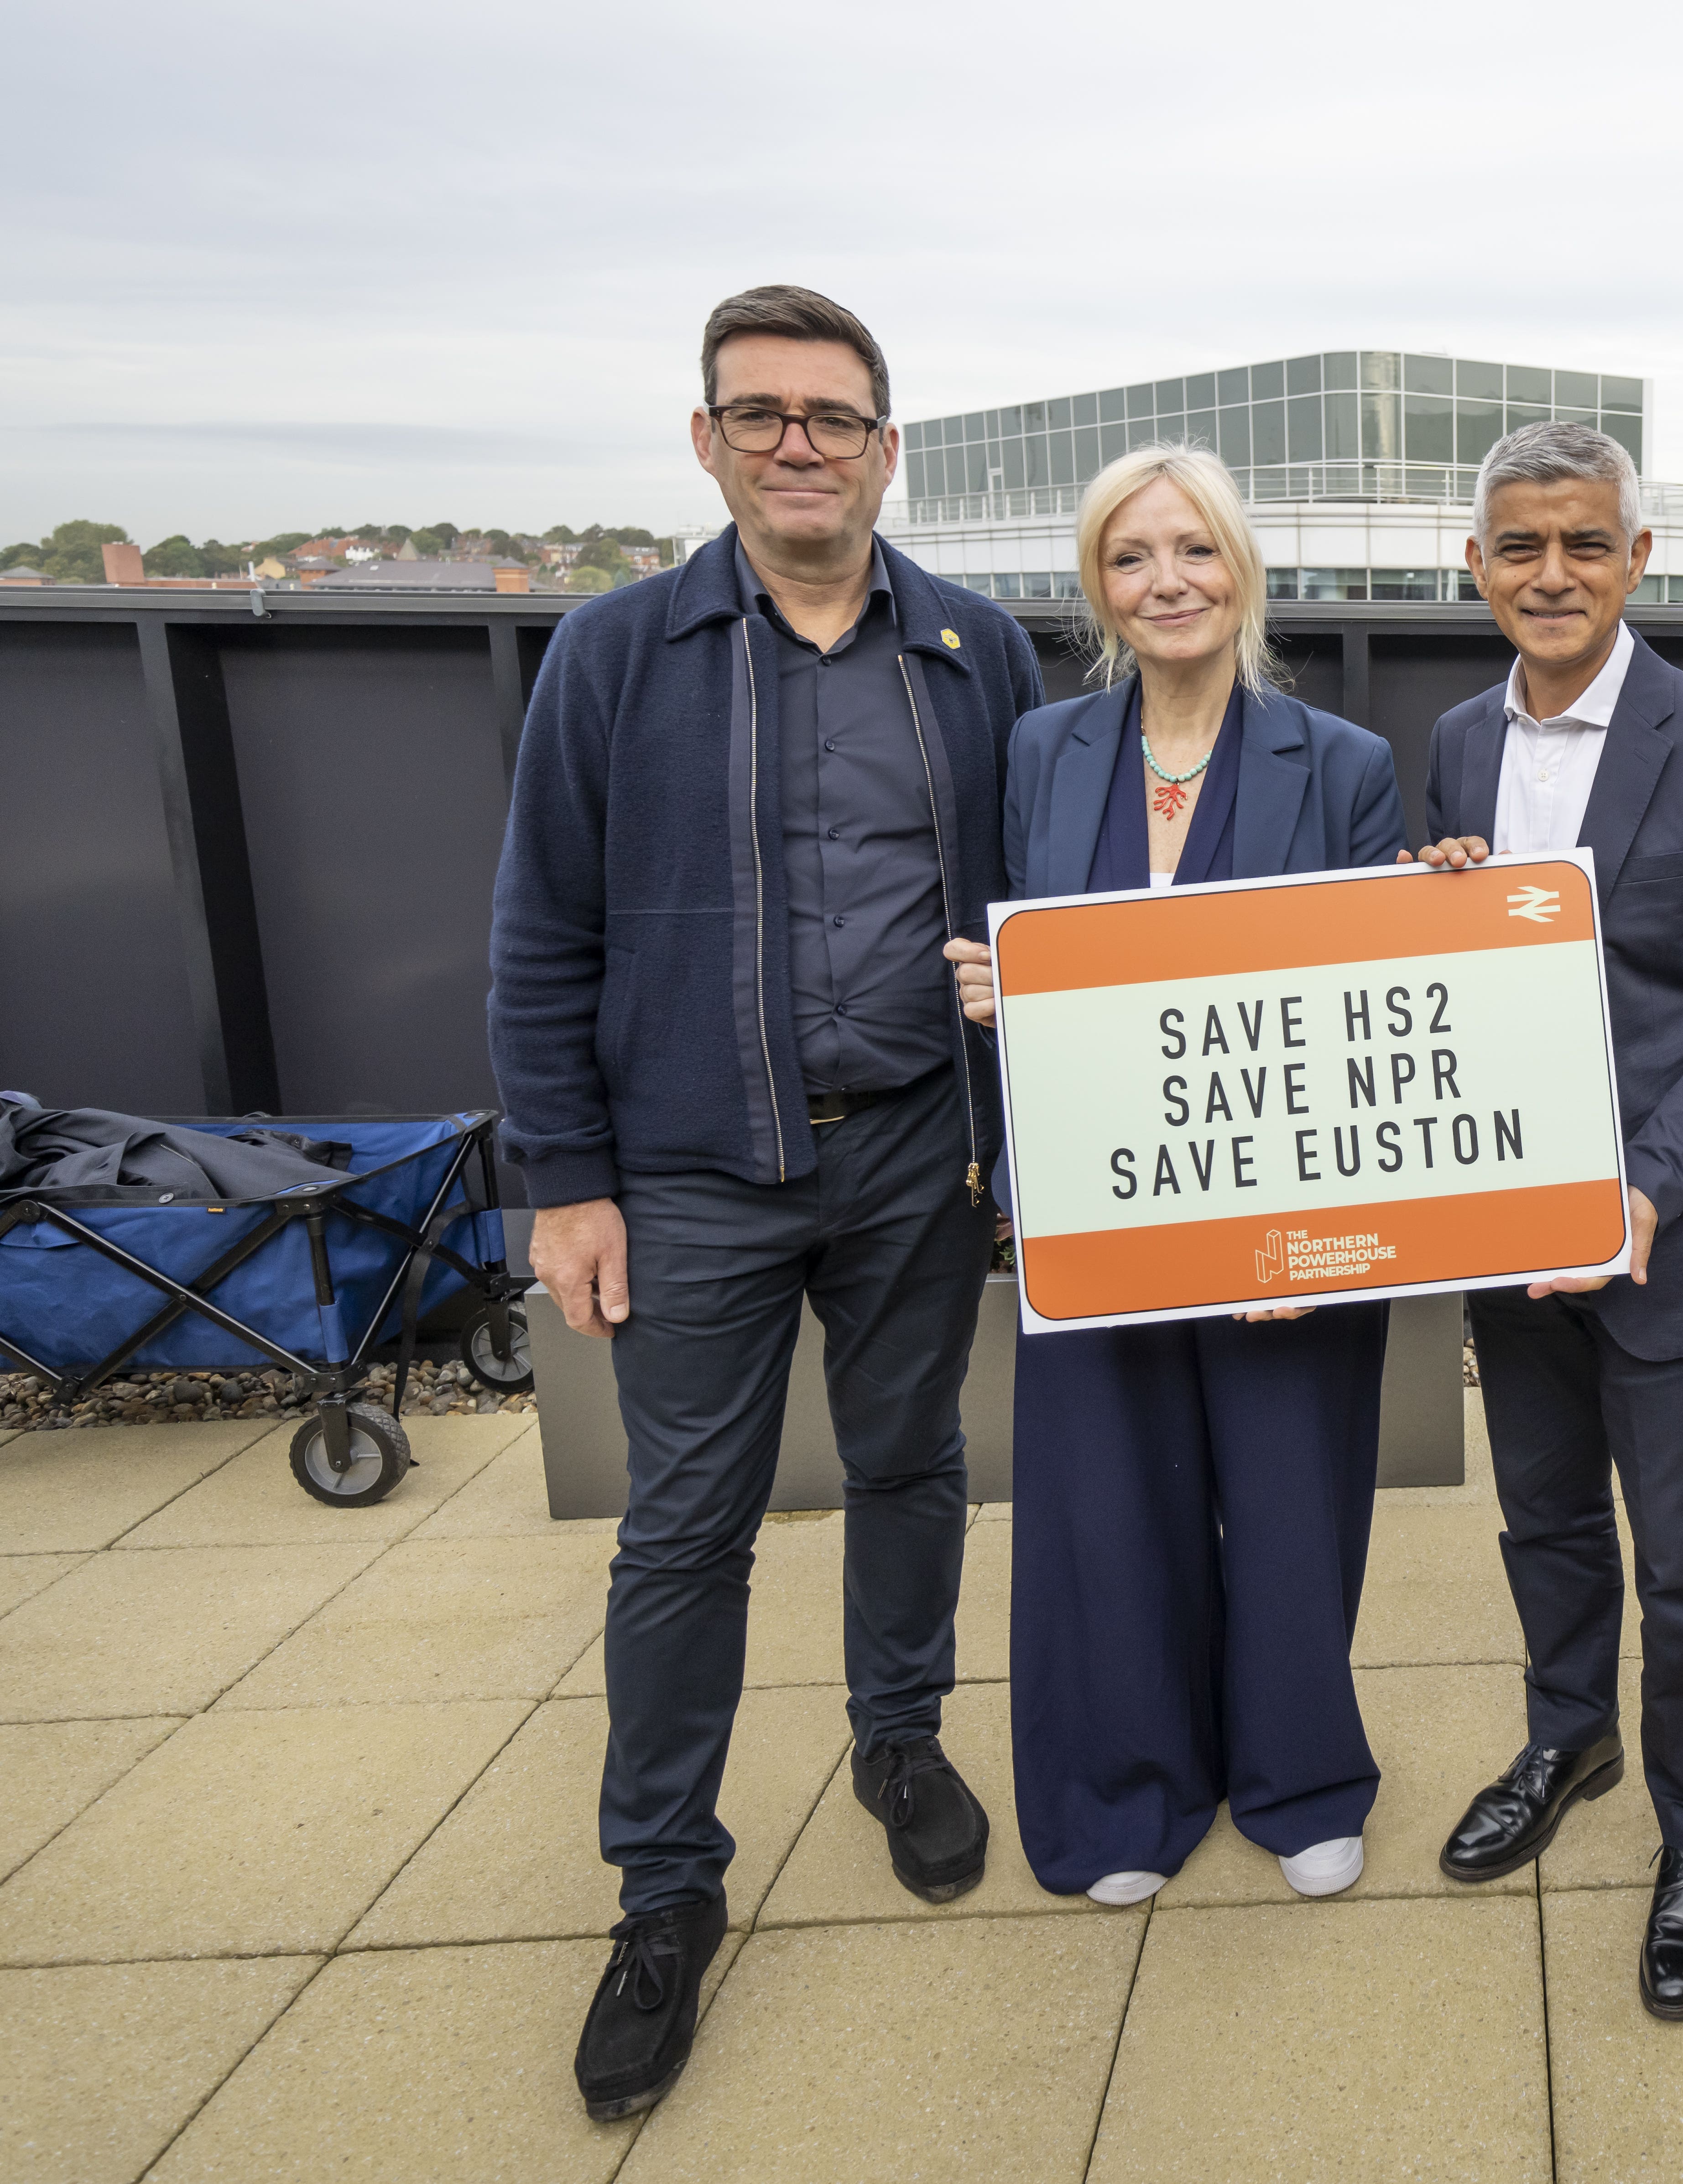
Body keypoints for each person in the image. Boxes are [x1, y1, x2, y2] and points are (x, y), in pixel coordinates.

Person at [490, 285, 1043, 2122]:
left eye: (832, 415)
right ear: (708, 439)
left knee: (911, 1468)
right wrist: (564, 1182)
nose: (796, 443)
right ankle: (664, 1887)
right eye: (760, 413)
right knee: (685, 1530)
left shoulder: (972, 651)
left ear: (889, 446)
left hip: (909, 1151)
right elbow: (539, 931)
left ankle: (900, 1748)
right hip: (694, 1169)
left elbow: (1050, 909)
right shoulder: (617, 653)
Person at [943, 444, 1407, 1911]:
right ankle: (1126, 1787)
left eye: (1194, 549)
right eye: (1134, 556)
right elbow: (1026, 958)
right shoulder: (1041, 752)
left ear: (1242, 570)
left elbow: (1372, 1004)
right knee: (1104, 1501)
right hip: (1097, 1199)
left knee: (1288, 1489)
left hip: (1284, 1218)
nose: (1168, 581)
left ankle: (1298, 1777)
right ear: (1100, 587)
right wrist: (1000, 992)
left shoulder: (1344, 764)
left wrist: (1315, 1235)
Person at [1407, 423, 1683, 2020]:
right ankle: (1568, 1732)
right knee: (1545, 1523)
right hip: (1510, 1240)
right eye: (1519, 547)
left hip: (1674, 1236)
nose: (1552, 574)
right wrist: (1430, 888)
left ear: (1637, 559)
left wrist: (1642, 1186)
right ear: (1477, 568)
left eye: (1584, 544)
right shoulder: (1456, 741)